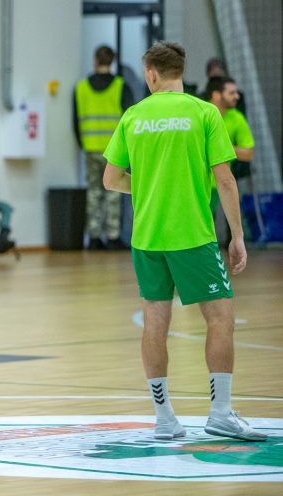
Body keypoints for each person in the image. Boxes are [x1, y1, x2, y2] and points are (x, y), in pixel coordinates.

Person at [103, 40, 265, 443]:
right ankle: (221, 412)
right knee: (220, 318)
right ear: (179, 71)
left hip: (146, 238)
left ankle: (163, 419)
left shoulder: (133, 116)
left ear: (152, 74)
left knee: (156, 322)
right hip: (192, 235)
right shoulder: (204, 113)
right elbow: (225, 180)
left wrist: (149, 188)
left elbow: (110, 179)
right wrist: (238, 236)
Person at [73, 44, 133, 250]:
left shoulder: (81, 87)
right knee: (113, 191)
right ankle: (114, 235)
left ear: (95, 60)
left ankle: (94, 237)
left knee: (94, 192)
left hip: (90, 147)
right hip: (114, 149)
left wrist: (82, 142)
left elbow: (75, 120)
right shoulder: (120, 86)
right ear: (112, 61)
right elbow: (129, 118)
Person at [205, 76, 254, 244]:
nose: (237, 96)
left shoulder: (236, 118)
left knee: (207, 230)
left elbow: (248, 153)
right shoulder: (198, 114)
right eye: (231, 93)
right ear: (217, 95)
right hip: (194, 182)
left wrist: (221, 146)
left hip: (219, 183)